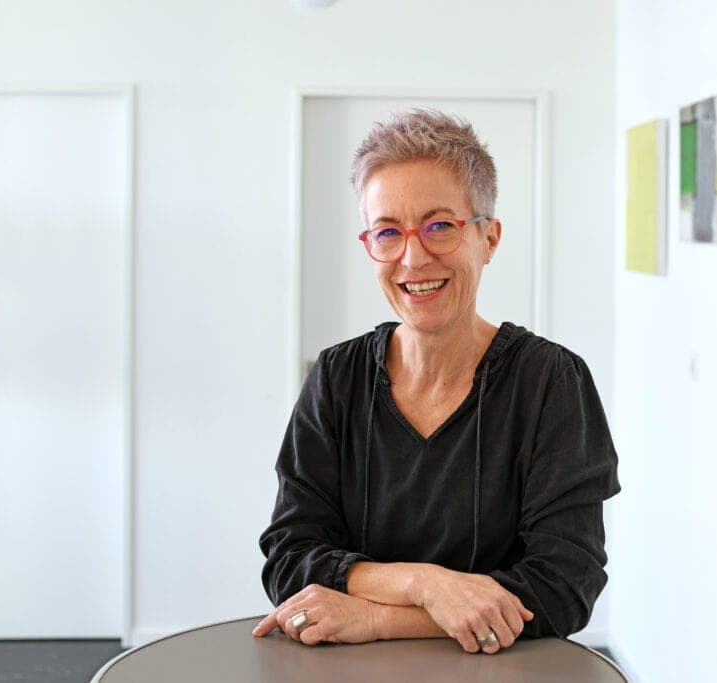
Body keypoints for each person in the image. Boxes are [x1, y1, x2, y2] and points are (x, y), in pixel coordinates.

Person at [253, 110, 619, 654]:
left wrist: (375, 618)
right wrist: (426, 584)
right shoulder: (336, 379)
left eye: (440, 226)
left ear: (489, 238)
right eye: (388, 232)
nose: (413, 256)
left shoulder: (550, 382)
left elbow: (565, 584)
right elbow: (289, 557)